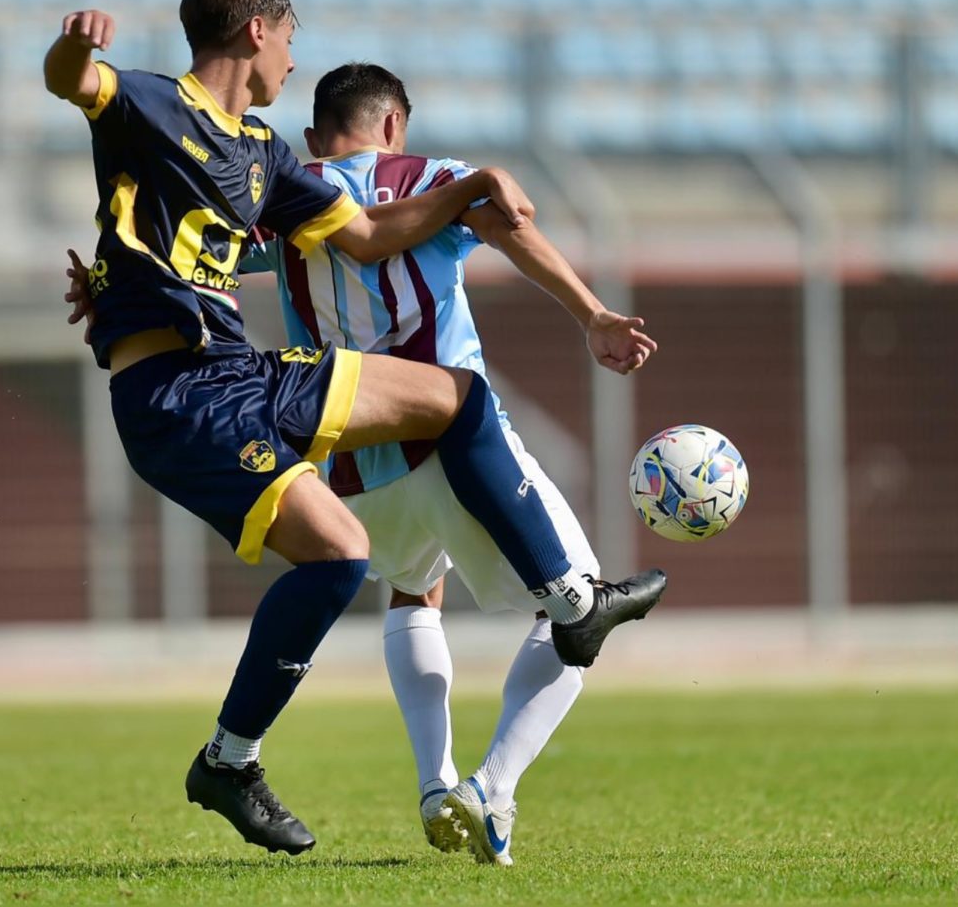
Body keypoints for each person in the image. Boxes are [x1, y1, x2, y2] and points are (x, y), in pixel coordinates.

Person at [49, 0, 665, 856]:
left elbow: (370, 234)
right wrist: (76, 45)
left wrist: (476, 181)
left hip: (242, 376)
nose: (293, 61)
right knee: (373, 523)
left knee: (386, 503)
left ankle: (239, 760)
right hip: (177, 395)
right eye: (290, 38)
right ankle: (568, 612)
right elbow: (72, 82)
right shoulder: (149, 101)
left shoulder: (265, 156)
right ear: (257, 31)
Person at [237, 62, 658, 865]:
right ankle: (491, 789)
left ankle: (435, 784)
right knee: (577, 611)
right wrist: (593, 314)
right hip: (452, 439)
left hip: (353, 467)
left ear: (316, 136)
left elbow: (204, 259)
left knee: (412, 590)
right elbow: (510, 228)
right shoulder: (430, 178)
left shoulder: (285, 199)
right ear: (394, 125)